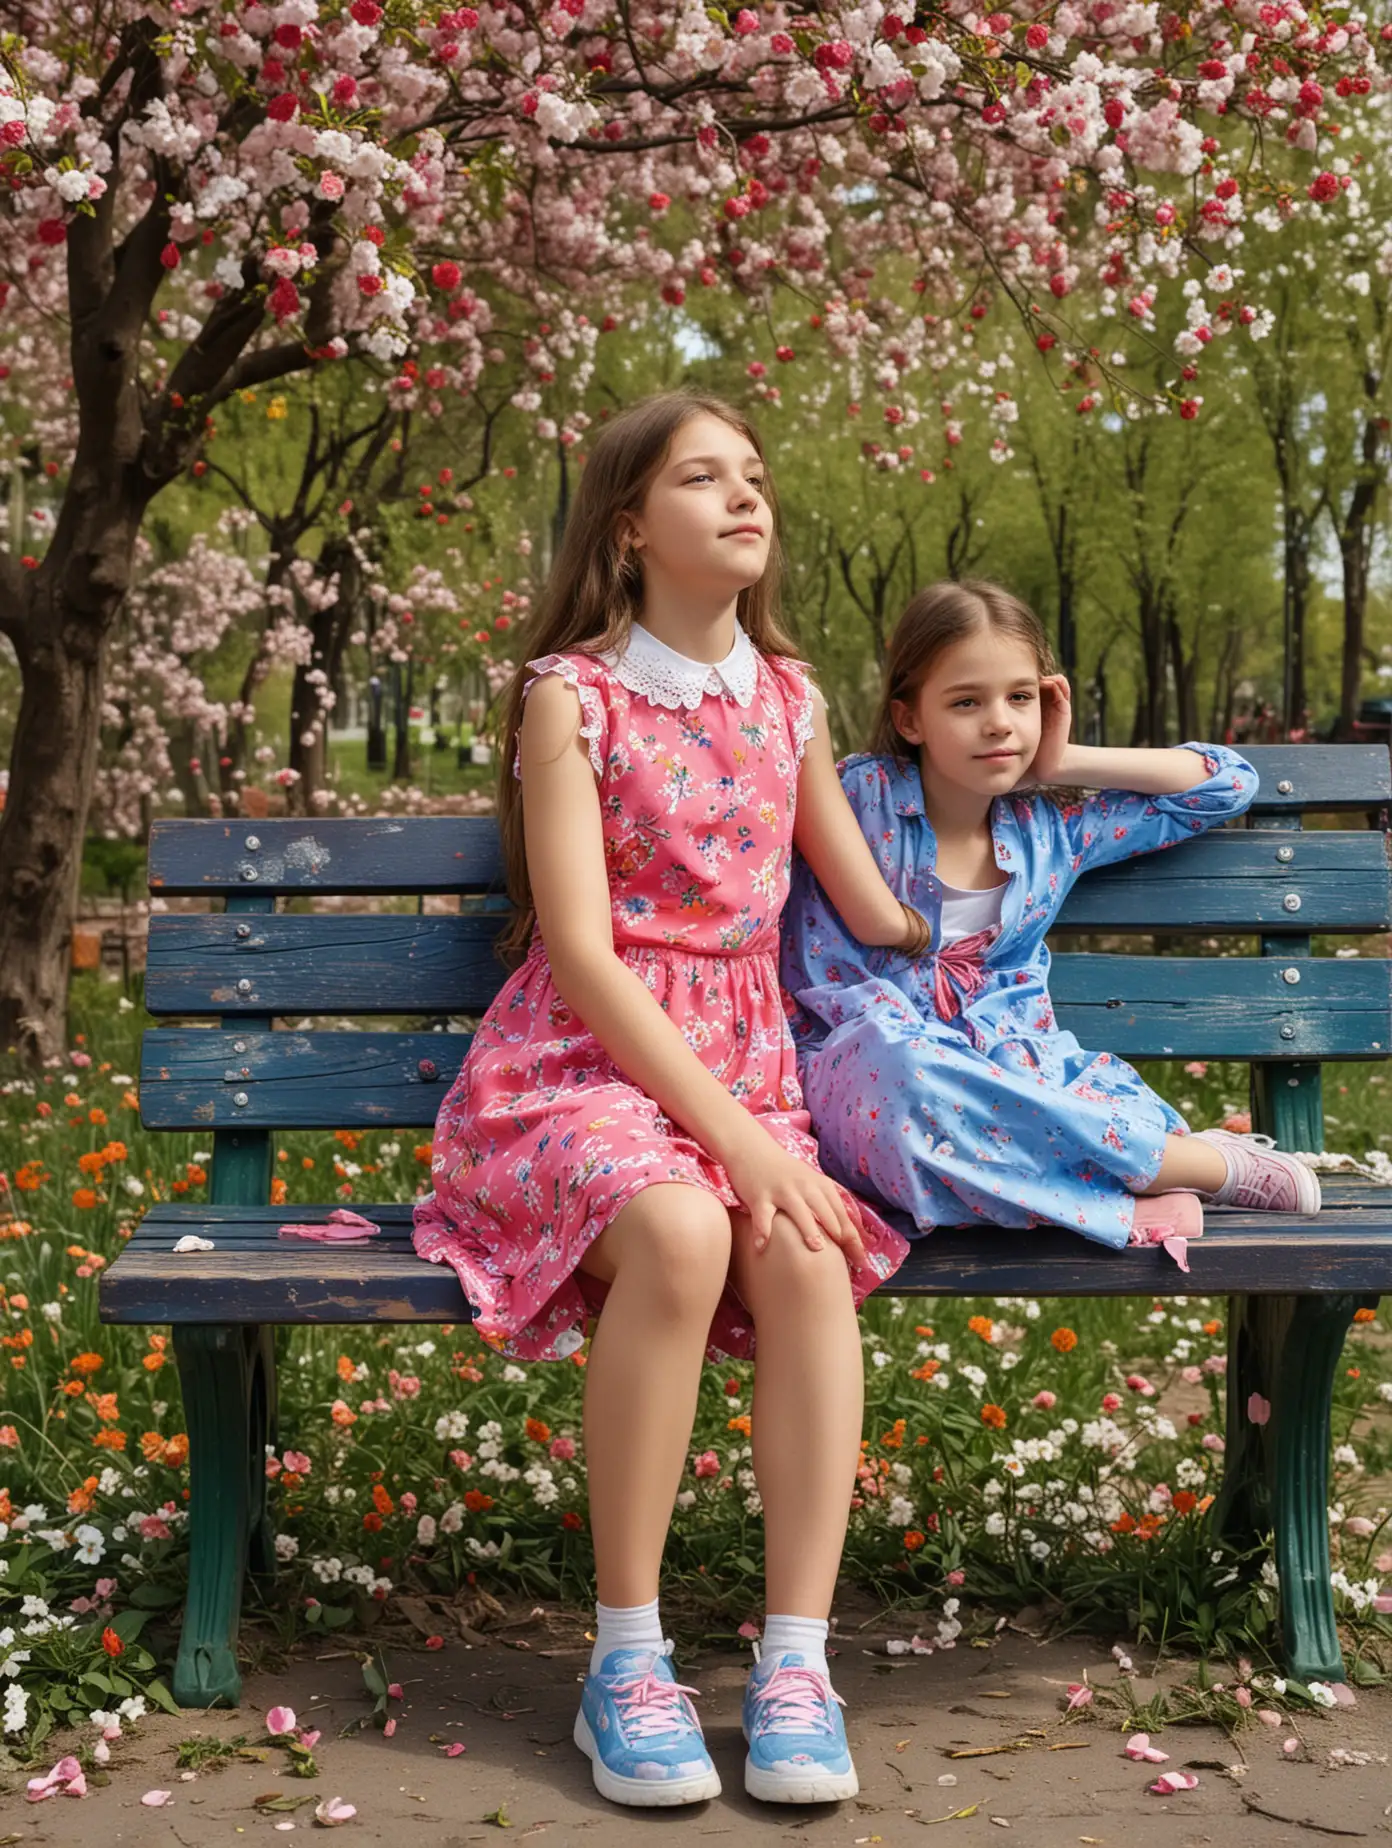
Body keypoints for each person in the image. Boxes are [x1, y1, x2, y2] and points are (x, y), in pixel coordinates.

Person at [414, 390, 929, 1809]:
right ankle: (627, 1659)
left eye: (754, 476)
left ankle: (796, 1663)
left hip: (748, 1069)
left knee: (807, 1252)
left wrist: (1041, 774)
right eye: (704, 479)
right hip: (578, 1069)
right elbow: (580, 948)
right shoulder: (570, 695)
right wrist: (740, 1144)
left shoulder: (791, 697)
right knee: (693, 1233)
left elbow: (880, 906)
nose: (744, 497)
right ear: (632, 527)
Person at [781, 578, 1322, 1252]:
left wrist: (1063, 761)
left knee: (1024, 1105)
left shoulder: (1054, 829)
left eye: (1020, 697)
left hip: (1017, 1077)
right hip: (866, 1076)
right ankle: (1194, 1170)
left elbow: (1226, 784)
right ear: (909, 719)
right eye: (966, 702)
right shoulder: (861, 799)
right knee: (904, 1076)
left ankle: (1084, 1189)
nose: (999, 722)